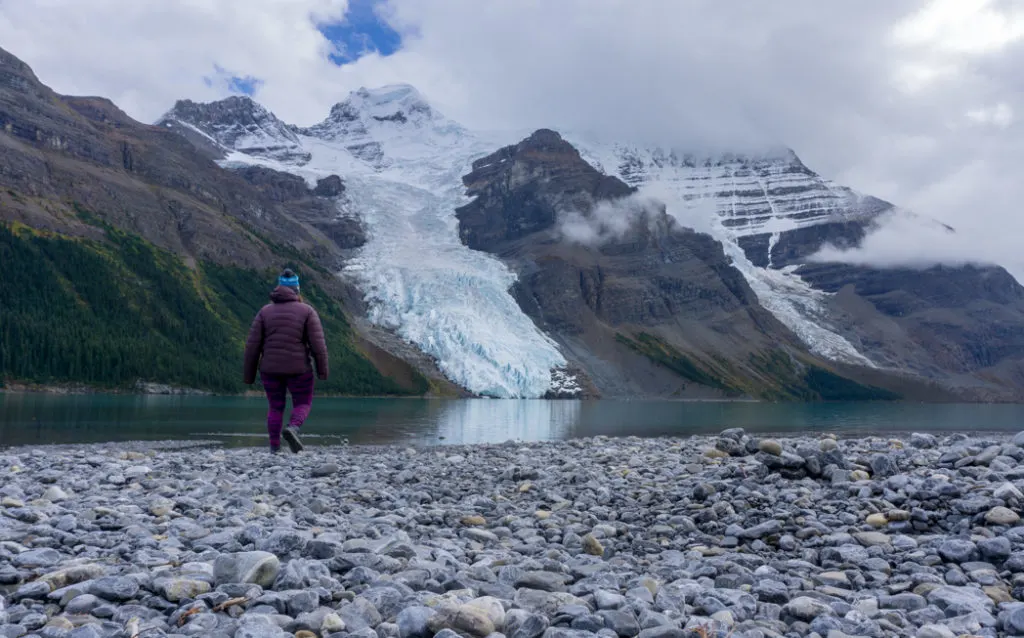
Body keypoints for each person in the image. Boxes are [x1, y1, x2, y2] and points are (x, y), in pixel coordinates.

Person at [243, 268, 329, 453]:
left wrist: (249, 376)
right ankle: (293, 427)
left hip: (270, 369)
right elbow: (318, 346)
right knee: (303, 403)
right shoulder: (307, 311)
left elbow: (252, 346)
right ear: (297, 290)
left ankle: (274, 448)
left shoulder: (264, 312)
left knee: (275, 407)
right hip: (299, 369)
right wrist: (322, 371)